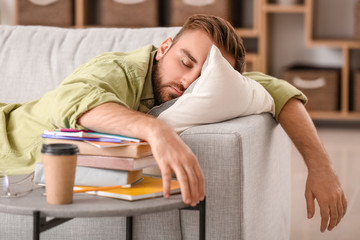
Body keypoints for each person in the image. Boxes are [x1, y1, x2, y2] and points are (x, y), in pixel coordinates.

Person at [0, 14, 346, 232]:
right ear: (164, 48)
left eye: (203, 76)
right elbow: (72, 101)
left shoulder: (212, 86)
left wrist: (321, 167)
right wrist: (156, 129)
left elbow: (279, 91)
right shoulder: (121, 69)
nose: (188, 83)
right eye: (185, 62)